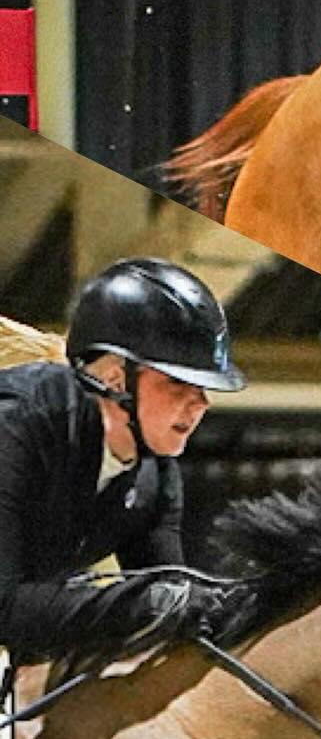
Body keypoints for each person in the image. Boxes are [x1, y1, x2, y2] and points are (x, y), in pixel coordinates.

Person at [0, 257, 249, 667]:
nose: (201, 403)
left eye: (204, 387)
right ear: (116, 378)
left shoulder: (156, 475)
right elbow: (5, 609)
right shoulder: (16, 425)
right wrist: (146, 604)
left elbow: (172, 607)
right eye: (178, 382)